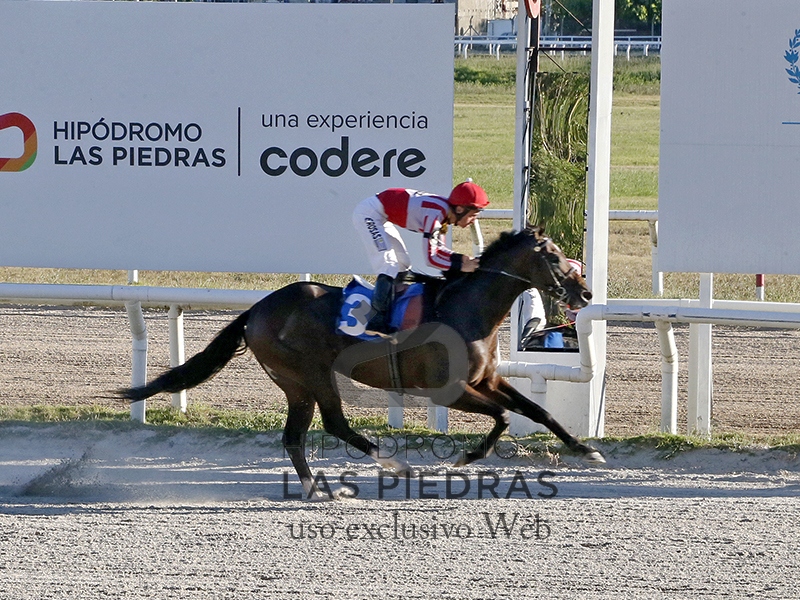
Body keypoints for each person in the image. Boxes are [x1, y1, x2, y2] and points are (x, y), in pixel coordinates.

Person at [352, 180, 490, 334]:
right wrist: (461, 266)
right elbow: (431, 258)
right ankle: (376, 321)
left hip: (381, 216)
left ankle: (394, 311)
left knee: (403, 264)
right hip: (369, 214)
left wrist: (460, 259)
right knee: (388, 265)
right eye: (473, 215)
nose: (474, 220)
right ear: (459, 209)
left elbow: (439, 249)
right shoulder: (436, 215)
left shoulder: (444, 215)